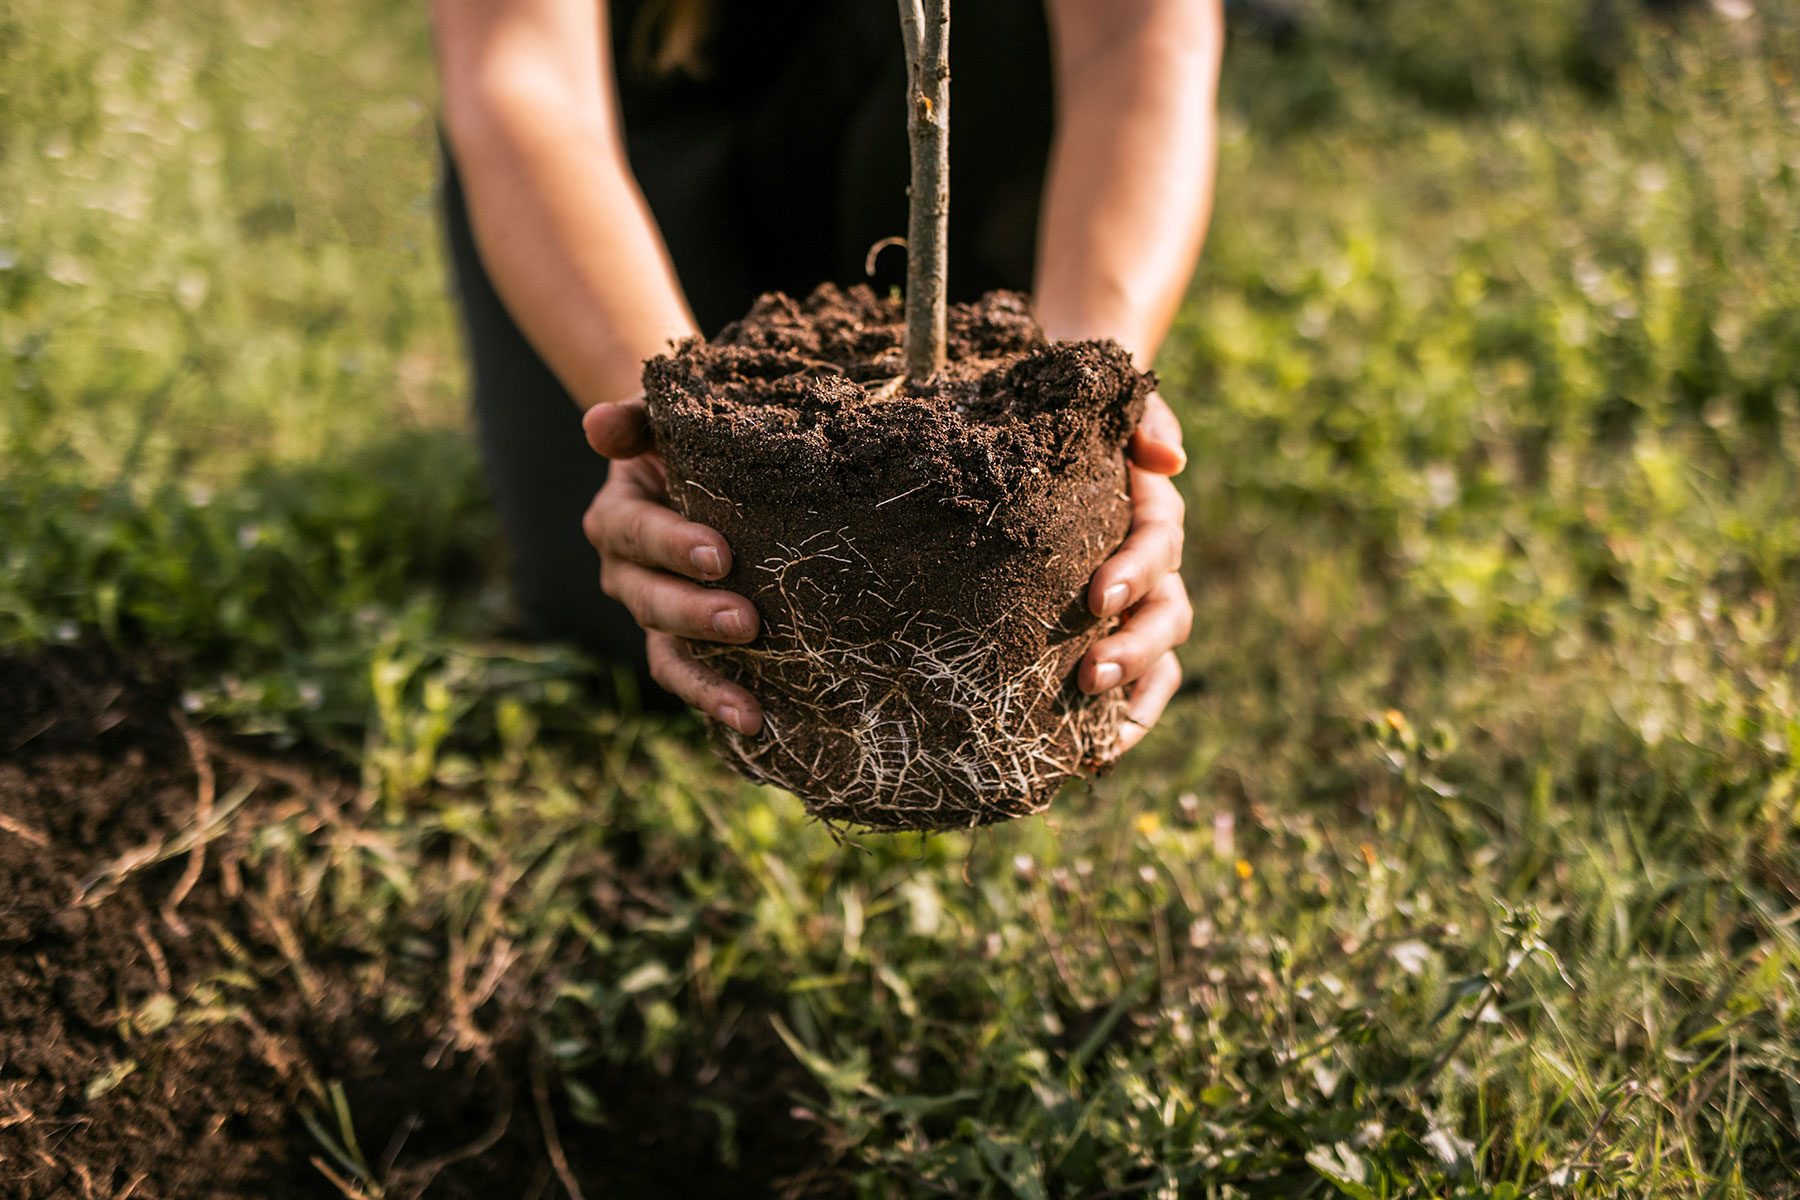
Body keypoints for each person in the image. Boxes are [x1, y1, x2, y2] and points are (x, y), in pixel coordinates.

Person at [431, 0, 1220, 753]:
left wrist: (1089, 403)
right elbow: (526, 76)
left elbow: (1133, 35)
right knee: (636, 615)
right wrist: (666, 421)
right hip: (630, 124)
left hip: (915, 91)